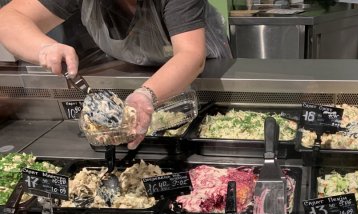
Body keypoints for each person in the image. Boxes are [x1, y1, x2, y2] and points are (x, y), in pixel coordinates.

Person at [0, 0, 232, 149]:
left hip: (201, 77)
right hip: (135, 73)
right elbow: (9, 18)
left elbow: (191, 55)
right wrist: (45, 47)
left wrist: (146, 95)